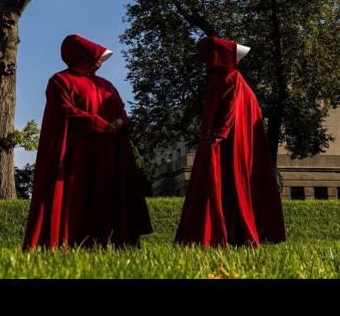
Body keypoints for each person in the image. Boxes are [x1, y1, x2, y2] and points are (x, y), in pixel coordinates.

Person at [23, 34, 153, 249]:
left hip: (109, 149)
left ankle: (111, 240)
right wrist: (100, 124)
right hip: (79, 150)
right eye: (95, 56)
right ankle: (74, 240)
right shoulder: (60, 81)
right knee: (79, 194)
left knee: (107, 192)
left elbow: (119, 105)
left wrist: (120, 121)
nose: (99, 61)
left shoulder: (106, 84)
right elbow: (66, 110)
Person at [174, 36, 285, 247]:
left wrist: (219, 133)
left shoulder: (230, 77)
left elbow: (230, 108)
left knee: (224, 183)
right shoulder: (226, 78)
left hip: (227, 144)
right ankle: (229, 233)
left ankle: (224, 234)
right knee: (227, 184)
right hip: (229, 142)